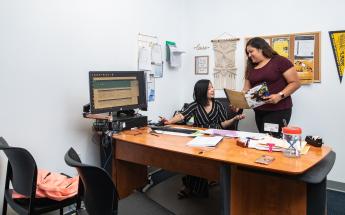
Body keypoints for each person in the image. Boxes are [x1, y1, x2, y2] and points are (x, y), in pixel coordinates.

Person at [163, 79, 245, 199]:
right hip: (200, 138)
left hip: (217, 137)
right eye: (209, 88)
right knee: (194, 160)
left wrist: (234, 119)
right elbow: (182, 115)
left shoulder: (219, 105)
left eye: (212, 88)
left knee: (205, 161)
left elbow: (223, 124)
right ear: (202, 91)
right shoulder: (195, 105)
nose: (213, 90)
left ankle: (194, 186)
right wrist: (168, 121)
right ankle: (193, 185)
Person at [243, 37, 301, 136]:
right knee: (263, 140)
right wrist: (238, 101)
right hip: (259, 111)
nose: (249, 55)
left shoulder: (280, 61)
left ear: (260, 49)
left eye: (251, 51)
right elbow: (246, 89)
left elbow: (295, 83)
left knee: (271, 140)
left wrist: (279, 95)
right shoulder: (251, 66)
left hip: (278, 110)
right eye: (247, 53)